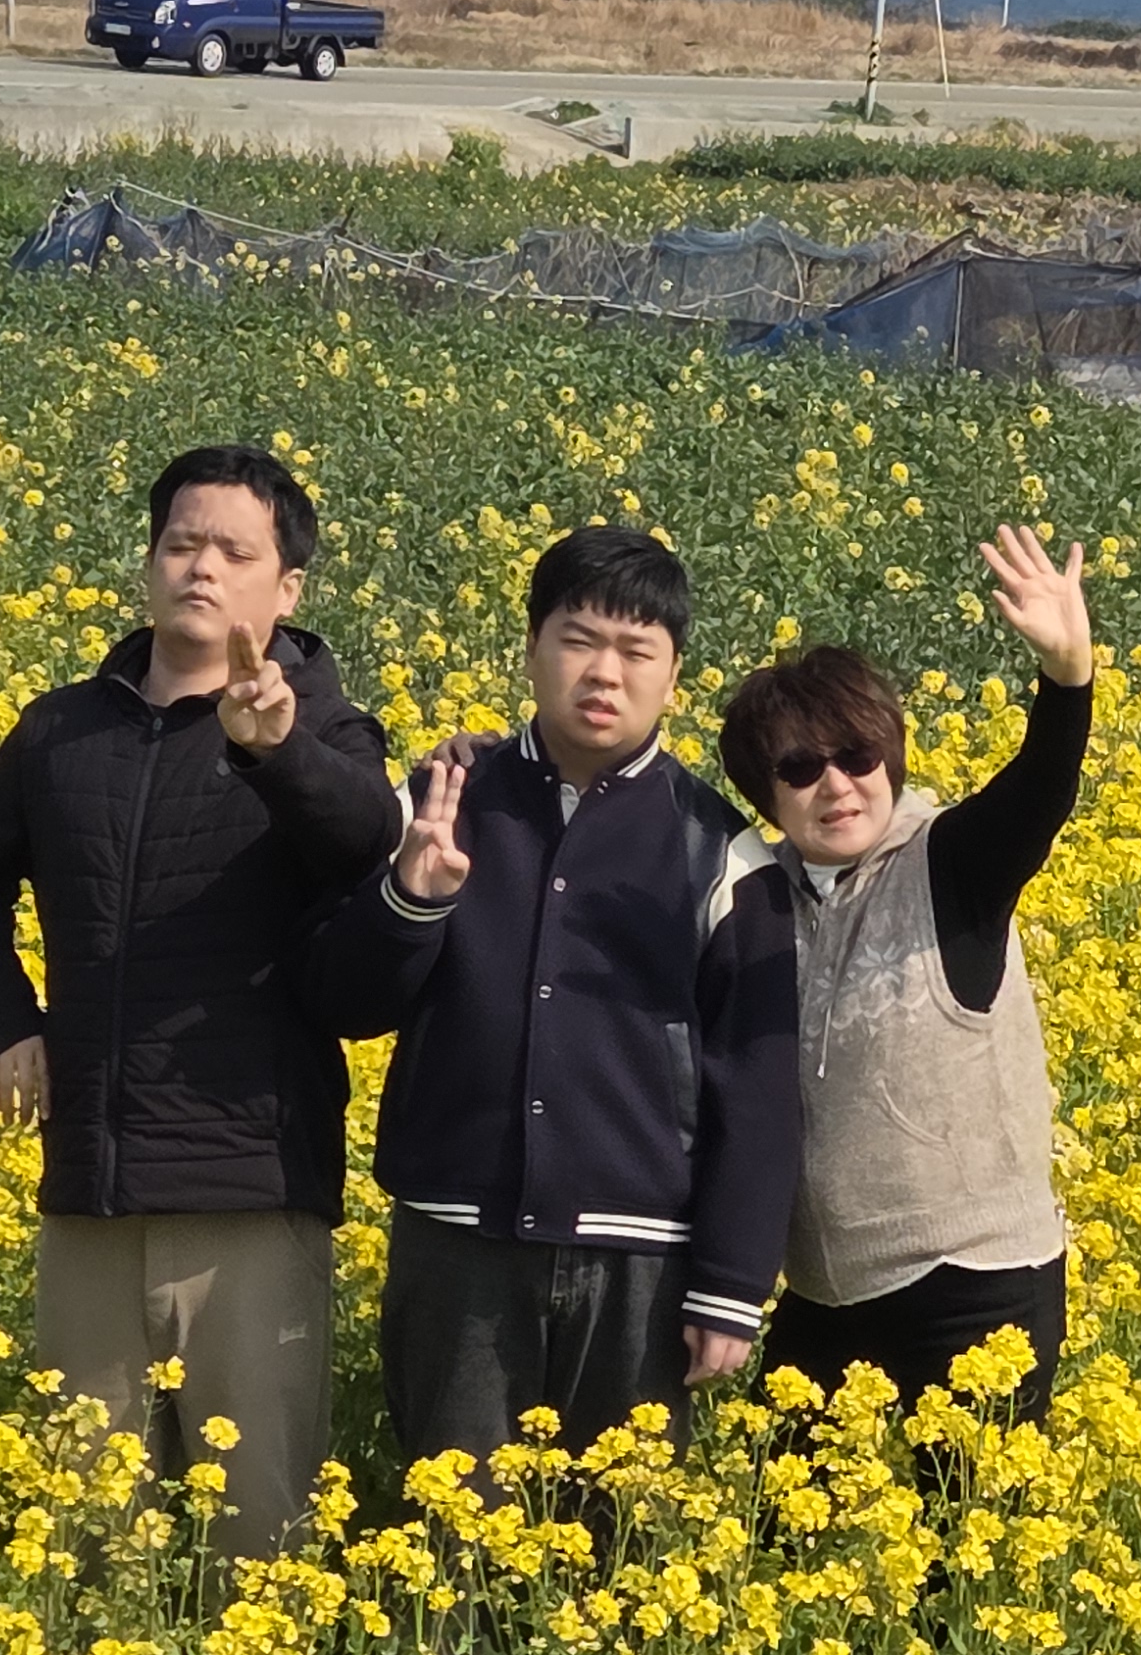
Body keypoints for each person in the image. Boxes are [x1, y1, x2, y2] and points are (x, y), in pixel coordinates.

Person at [0, 443, 396, 1556]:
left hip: (249, 1194)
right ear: (148, 564)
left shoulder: (328, 731)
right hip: (88, 1189)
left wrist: (275, 751)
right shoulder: (62, 731)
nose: (202, 568)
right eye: (181, 543)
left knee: (259, 1536)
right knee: (85, 1535)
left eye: (235, 552)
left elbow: (367, 844)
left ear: (287, 590)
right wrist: (6, 1024)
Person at [305, 526, 799, 1472]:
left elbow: (760, 1086)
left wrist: (731, 1285)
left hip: (642, 1261)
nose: (604, 673)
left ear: (674, 675)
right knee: (452, 1529)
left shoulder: (722, 850)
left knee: (623, 1534)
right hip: (458, 1242)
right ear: (532, 647)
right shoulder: (439, 802)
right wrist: (413, 900)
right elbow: (347, 1003)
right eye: (578, 640)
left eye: (636, 651)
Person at [718, 523, 1093, 1430]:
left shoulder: (953, 863)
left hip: (975, 1287)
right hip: (824, 1295)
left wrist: (1067, 675)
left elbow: (1040, 789)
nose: (837, 785)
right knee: (780, 1513)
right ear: (765, 795)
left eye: (857, 756)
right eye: (800, 769)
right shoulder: (751, 898)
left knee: (967, 1522)